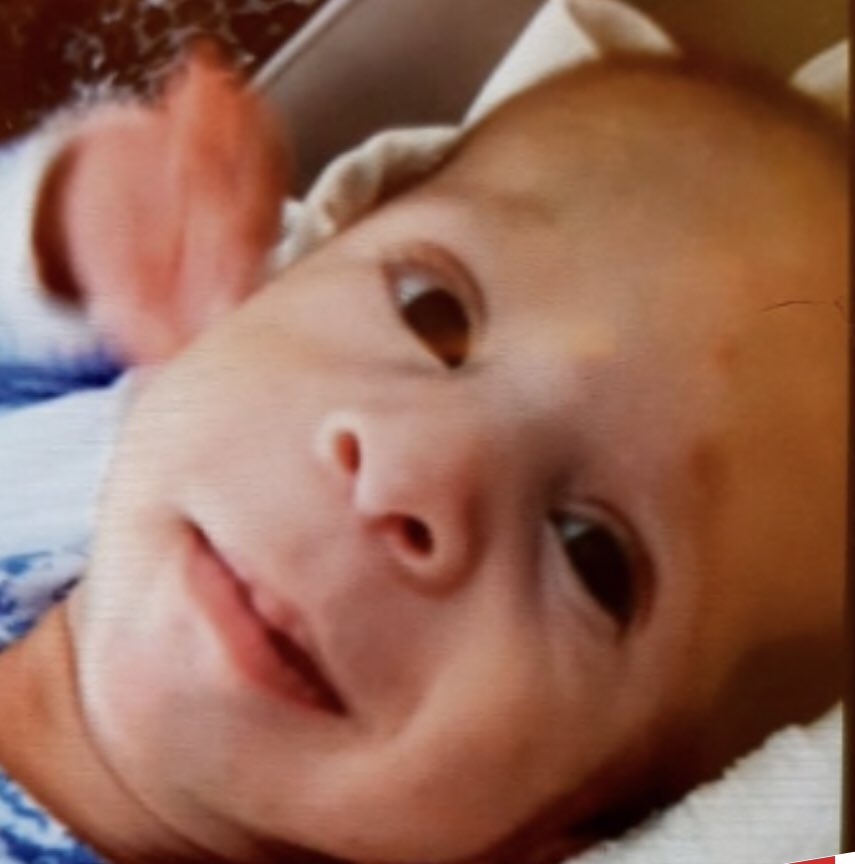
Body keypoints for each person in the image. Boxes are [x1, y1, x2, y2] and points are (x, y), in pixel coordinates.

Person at [0, 45, 846, 864]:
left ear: (578, 827)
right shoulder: (108, 426)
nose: (407, 471)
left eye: (593, 555)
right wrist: (76, 232)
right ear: (296, 268)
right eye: (430, 312)